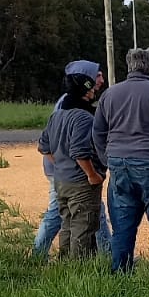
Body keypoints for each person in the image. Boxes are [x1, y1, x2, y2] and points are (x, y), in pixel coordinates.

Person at [92, 48, 149, 273]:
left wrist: (107, 159)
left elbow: (98, 132)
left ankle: (120, 271)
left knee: (122, 226)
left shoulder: (109, 95)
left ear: (130, 68)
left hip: (119, 165)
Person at [34, 60, 111, 258]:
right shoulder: (84, 117)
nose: (94, 90)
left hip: (62, 180)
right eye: (91, 87)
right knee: (83, 227)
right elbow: (79, 152)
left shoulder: (58, 114)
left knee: (67, 224)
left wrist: (62, 164)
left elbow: (43, 146)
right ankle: (79, 267)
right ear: (85, 91)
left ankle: (64, 263)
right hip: (80, 182)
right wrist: (92, 175)